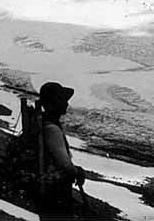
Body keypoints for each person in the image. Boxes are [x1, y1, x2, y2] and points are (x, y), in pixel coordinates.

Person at [38, 82, 86, 220]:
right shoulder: (52, 130)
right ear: (55, 103)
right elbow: (66, 167)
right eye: (63, 100)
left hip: (49, 193)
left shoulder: (44, 125)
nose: (66, 104)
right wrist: (78, 172)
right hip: (56, 193)